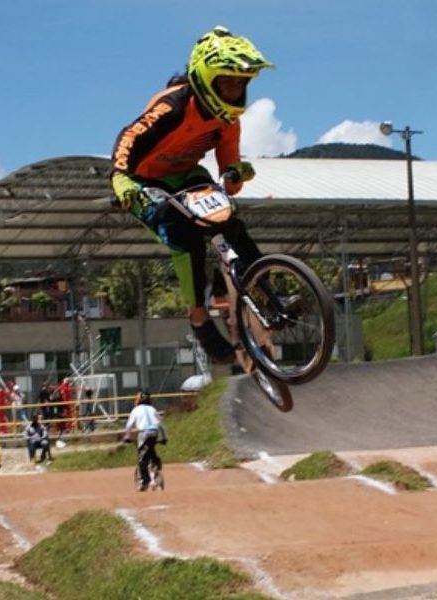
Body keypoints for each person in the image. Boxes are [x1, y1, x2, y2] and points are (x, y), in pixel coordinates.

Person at [110, 25, 272, 365]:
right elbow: (128, 138)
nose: (234, 91)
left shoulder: (228, 120)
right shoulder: (172, 106)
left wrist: (235, 174)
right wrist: (120, 179)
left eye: (240, 83)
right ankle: (198, 318)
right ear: (205, 79)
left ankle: (264, 286)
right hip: (144, 181)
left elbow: (229, 169)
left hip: (187, 175)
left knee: (228, 220)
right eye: (227, 82)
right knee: (184, 236)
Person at [122, 390, 167, 492]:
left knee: (142, 458)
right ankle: (156, 466)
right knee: (151, 449)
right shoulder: (153, 409)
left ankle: (145, 481)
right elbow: (162, 425)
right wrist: (164, 438)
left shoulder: (136, 410)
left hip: (144, 433)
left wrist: (127, 436)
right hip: (155, 432)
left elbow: (129, 425)